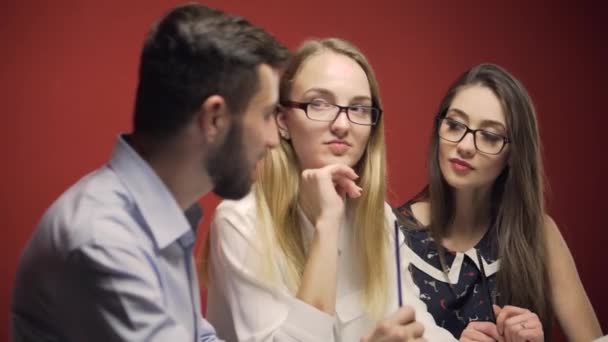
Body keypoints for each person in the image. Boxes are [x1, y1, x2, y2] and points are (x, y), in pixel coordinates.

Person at [11, 3, 288, 341]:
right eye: (266, 115)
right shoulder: (103, 240)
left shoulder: (161, 216)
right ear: (214, 119)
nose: (274, 139)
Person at [203, 37, 455, 341]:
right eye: (319, 103)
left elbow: (419, 325)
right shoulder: (241, 221)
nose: (342, 124)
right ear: (283, 121)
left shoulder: (380, 220)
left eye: (359, 109)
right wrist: (327, 224)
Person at [394, 63, 603, 341]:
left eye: (490, 136)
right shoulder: (392, 234)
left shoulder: (538, 234)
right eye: (455, 125)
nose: (465, 146)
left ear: (513, 154)